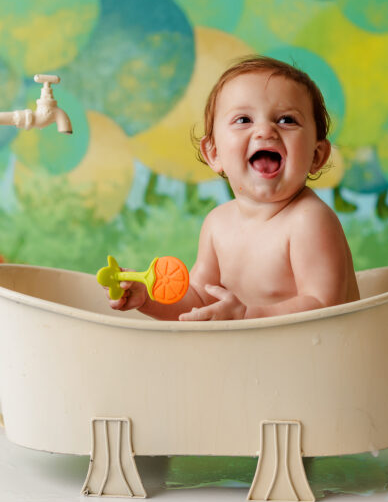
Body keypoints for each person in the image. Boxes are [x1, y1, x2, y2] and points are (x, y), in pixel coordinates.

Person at [106, 56, 359, 320]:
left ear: (317, 155)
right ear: (213, 153)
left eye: (286, 120)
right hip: (255, 357)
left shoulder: (309, 220)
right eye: (243, 120)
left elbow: (324, 306)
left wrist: (247, 316)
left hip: (322, 355)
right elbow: (200, 300)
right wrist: (147, 300)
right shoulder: (217, 224)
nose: (265, 131)